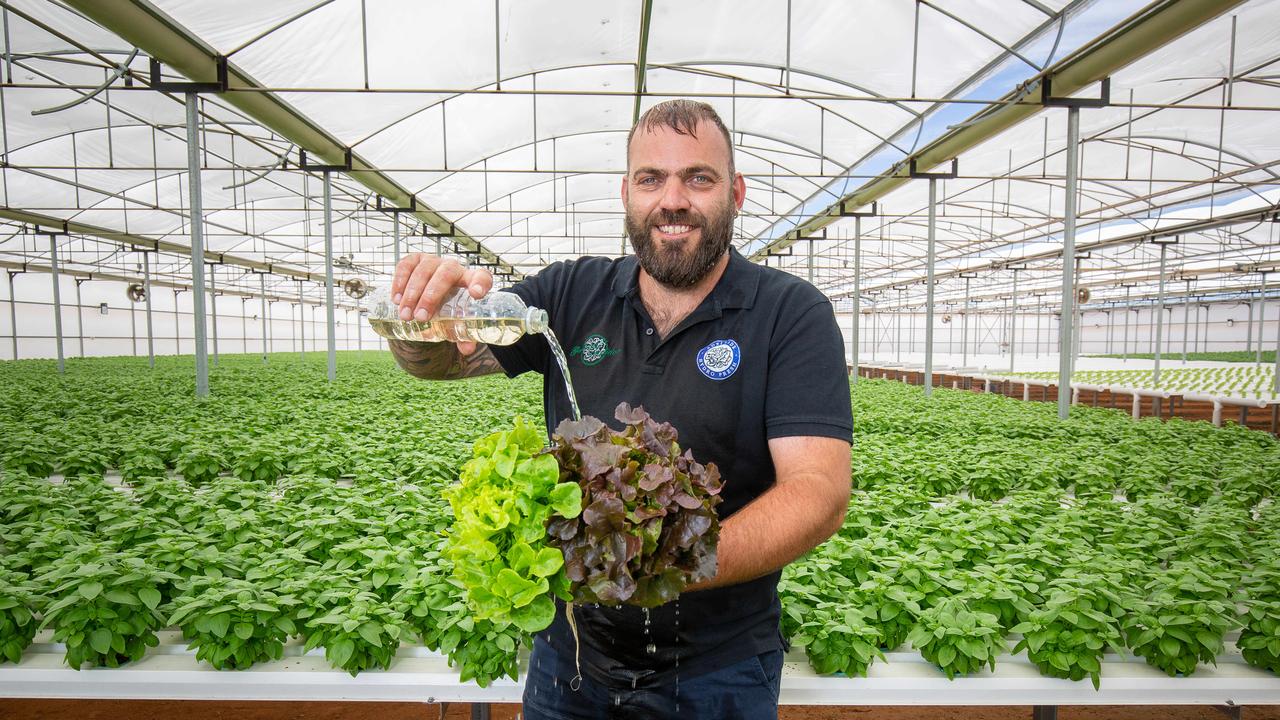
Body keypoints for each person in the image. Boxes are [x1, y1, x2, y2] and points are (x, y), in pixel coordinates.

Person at [387, 99, 852, 719]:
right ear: (627, 194)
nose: (673, 199)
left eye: (699, 177)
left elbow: (818, 491)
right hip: (571, 663)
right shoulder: (569, 294)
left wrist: (663, 566)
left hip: (720, 671)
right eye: (650, 178)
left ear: (736, 192)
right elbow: (447, 359)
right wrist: (419, 324)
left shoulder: (790, 314)